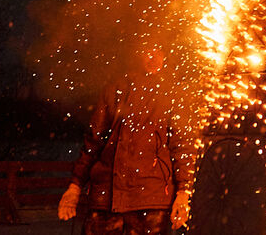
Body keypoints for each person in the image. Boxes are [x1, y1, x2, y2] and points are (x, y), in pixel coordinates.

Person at [58, 45, 192, 235]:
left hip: (151, 200)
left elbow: (182, 146)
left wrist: (183, 192)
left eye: (159, 53)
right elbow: (94, 142)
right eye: (149, 52)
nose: (154, 58)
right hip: (106, 199)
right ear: (137, 54)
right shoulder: (114, 90)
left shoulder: (172, 95)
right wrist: (75, 186)